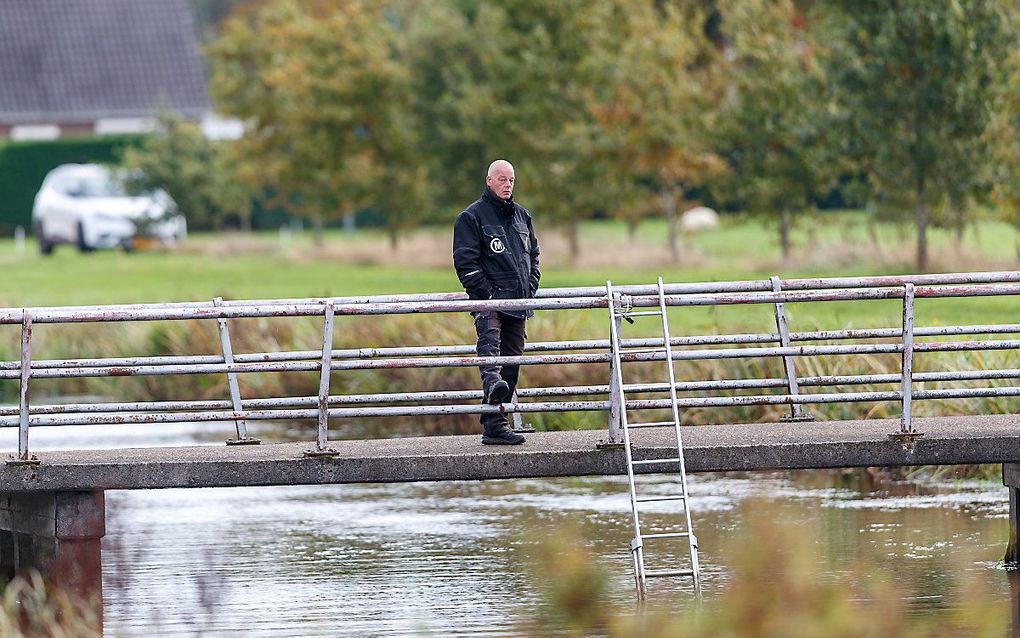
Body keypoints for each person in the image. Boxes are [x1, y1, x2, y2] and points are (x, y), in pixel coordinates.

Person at [453, 160, 540, 445]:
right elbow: (465, 263)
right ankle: (493, 396)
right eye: (502, 179)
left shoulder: (522, 217)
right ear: (489, 180)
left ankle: (494, 425)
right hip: (489, 303)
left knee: (512, 363)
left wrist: (530, 287)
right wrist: (488, 295)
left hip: (518, 303)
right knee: (491, 355)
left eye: (511, 180)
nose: (507, 184)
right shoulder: (471, 218)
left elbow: (534, 257)